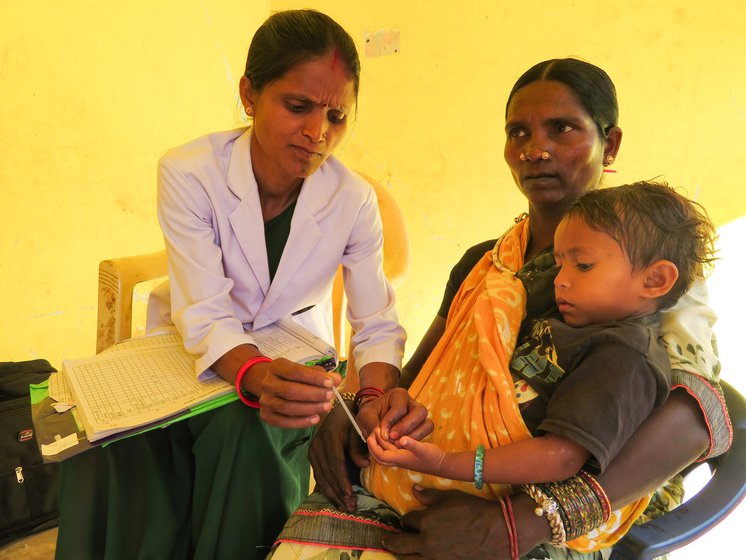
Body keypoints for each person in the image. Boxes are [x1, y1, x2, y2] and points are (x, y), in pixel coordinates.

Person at [274, 58, 730, 560]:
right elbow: (423, 378)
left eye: (563, 128)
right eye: (518, 132)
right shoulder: (487, 264)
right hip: (428, 476)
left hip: (562, 510)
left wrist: (518, 524)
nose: (536, 149)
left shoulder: (649, 275)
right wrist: (361, 406)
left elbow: (696, 416)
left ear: (610, 143)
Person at [54, 10, 430, 560]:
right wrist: (251, 371)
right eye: (297, 106)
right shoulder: (190, 172)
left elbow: (375, 322)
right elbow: (204, 312)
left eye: (337, 115)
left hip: (294, 358)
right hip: (184, 352)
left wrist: (372, 397)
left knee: (247, 428)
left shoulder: (353, 201)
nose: (318, 133)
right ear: (249, 94)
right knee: (105, 442)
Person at [366, 181, 717, 510]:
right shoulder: (564, 322)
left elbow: (561, 456)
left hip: (485, 489)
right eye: (560, 263)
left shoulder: (623, 356)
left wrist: (446, 462)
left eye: (583, 265)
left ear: (655, 280)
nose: (561, 281)